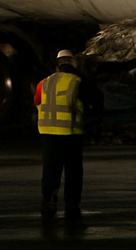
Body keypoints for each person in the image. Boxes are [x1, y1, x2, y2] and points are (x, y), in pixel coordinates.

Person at [35, 49, 100, 219]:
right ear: (73, 64)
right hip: (71, 134)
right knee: (73, 172)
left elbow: (36, 102)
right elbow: (94, 101)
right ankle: (72, 204)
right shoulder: (78, 82)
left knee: (50, 170)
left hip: (47, 134)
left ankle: (49, 201)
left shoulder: (44, 83)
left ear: (58, 65)